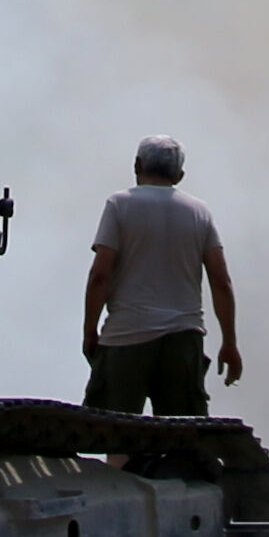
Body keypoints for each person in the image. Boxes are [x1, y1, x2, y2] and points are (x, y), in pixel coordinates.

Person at [81, 137, 243, 419]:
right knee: (183, 433)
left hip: (126, 336)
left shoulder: (120, 204)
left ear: (137, 165)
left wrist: (90, 331)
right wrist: (229, 343)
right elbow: (221, 281)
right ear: (179, 175)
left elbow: (100, 275)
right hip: (183, 339)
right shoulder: (199, 212)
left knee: (112, 431)